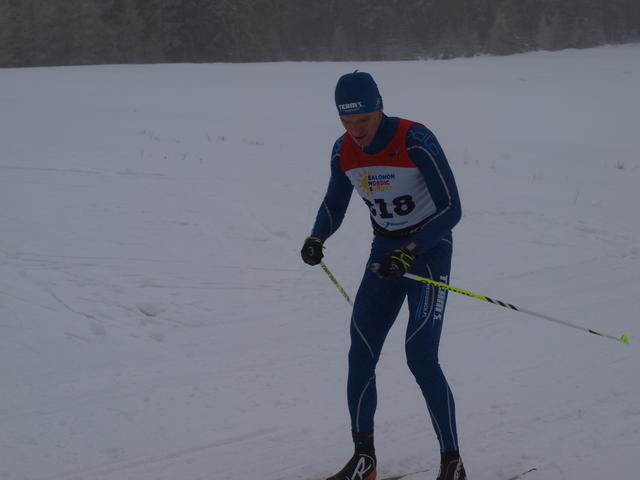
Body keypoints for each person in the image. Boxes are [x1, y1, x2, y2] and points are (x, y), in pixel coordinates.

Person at [301, 71, 467, 480]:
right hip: (385, 251)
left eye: (363, 121)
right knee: (360, 352)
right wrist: (317, 236)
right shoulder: (343, 150)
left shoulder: (415, 139)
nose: (356, 131)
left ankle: (452, 463)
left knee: (420, 355)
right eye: (347, 122)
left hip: (429, 251)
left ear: (380, 109)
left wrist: (411, 251)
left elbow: (452, 208)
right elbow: (335, 202)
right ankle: (364, 459)